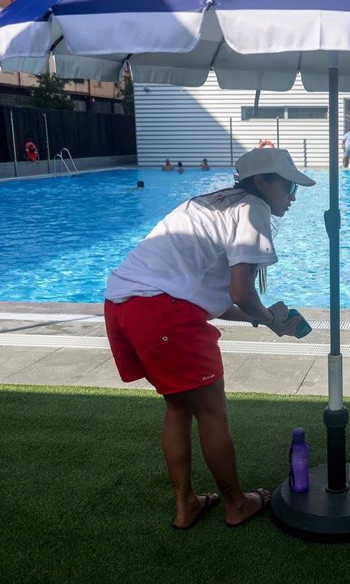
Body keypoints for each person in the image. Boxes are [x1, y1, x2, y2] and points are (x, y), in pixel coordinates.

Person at [104, 147, 316, 530]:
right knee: (211, 413)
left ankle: (186, 504)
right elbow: (239, 292)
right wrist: (270, 318)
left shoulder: (209, 202)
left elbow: (206, 296)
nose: (292, 196)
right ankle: (236, 504)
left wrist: (263, 321)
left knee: (179, 407)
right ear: (262, 182)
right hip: (163, 310)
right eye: (288, 186)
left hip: (123, 305)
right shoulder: (253, 208)